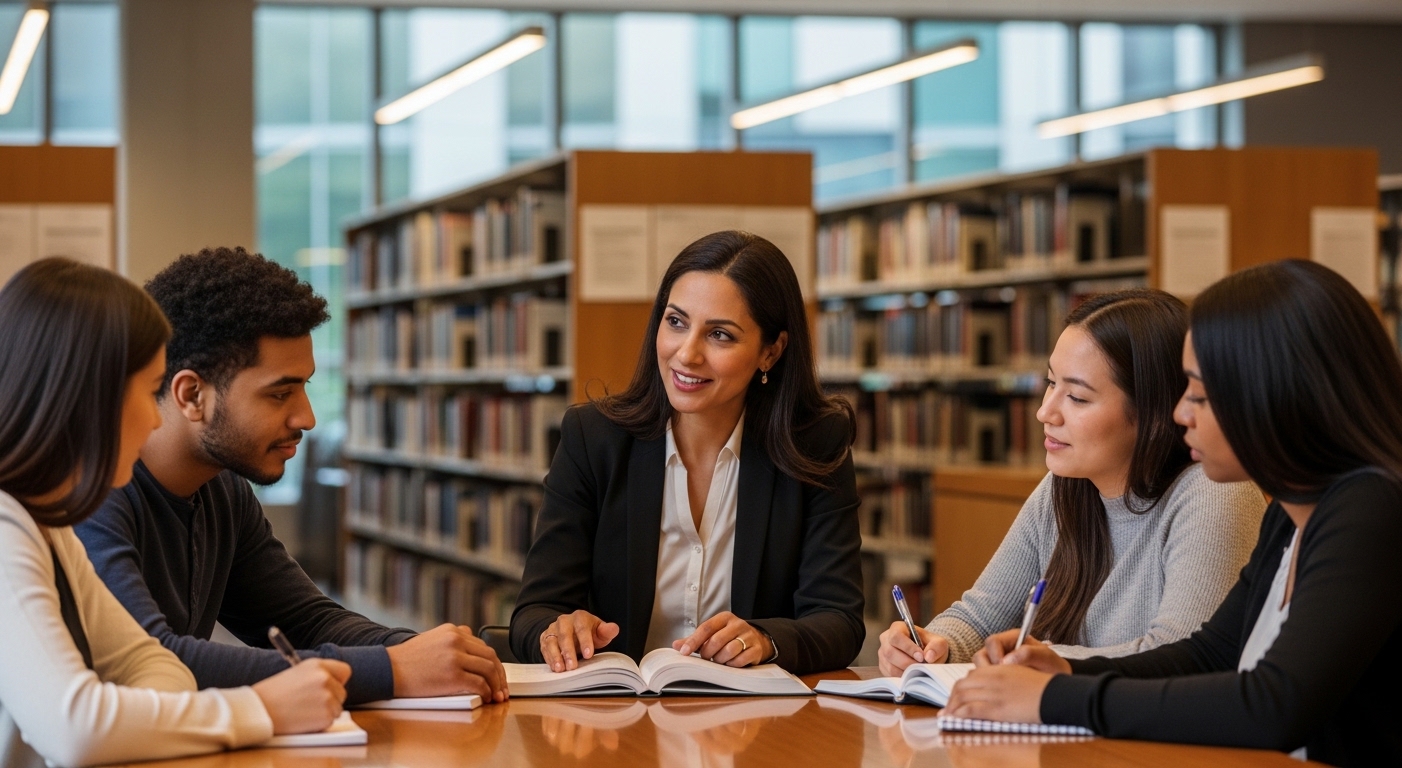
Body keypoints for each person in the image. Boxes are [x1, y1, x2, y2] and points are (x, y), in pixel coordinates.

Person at [945, 260, 1402, 767]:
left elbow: (1273, 703)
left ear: (1275, 399)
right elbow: (1206, 655)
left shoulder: (1373, 509)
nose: (1181, 413)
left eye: (1202, 396)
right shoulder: (1294, 512)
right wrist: (1063, 672)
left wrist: (1051, 700)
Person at [74, 247, 507, 706]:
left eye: (305, 387)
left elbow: (306, 621)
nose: (307, 417)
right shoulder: (90, 489)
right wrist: (392, 669)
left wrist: (423, 652)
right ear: (192, 394)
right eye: (280, 394)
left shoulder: (222, 489)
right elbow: (153, 661)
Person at [0, 258, 350, 767]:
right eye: (145, 393)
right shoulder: (7, 526)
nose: (153, 418)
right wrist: (260, 709)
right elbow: (76, 728)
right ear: (79, 399)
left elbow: (153, 666)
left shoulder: (47, 526)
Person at [510, 230, 864, 675]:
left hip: (752, 725)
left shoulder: (814, 446)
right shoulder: (593, 439)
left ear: (770, 352)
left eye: (720, 334)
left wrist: (766, 640)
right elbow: (531, 614)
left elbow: (839, 620)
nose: (687, 354)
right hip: (617, 721)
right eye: (676, 322)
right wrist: (557, 630)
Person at [878, 290, 1265, 673]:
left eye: (1077, 398)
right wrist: (931, 646)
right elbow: (980, 618)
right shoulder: (1063, 487)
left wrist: (1049, 662)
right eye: (1050, 383)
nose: (1045, 412)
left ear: (1153, 412)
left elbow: (1182, 656)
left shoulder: (1213, 494)